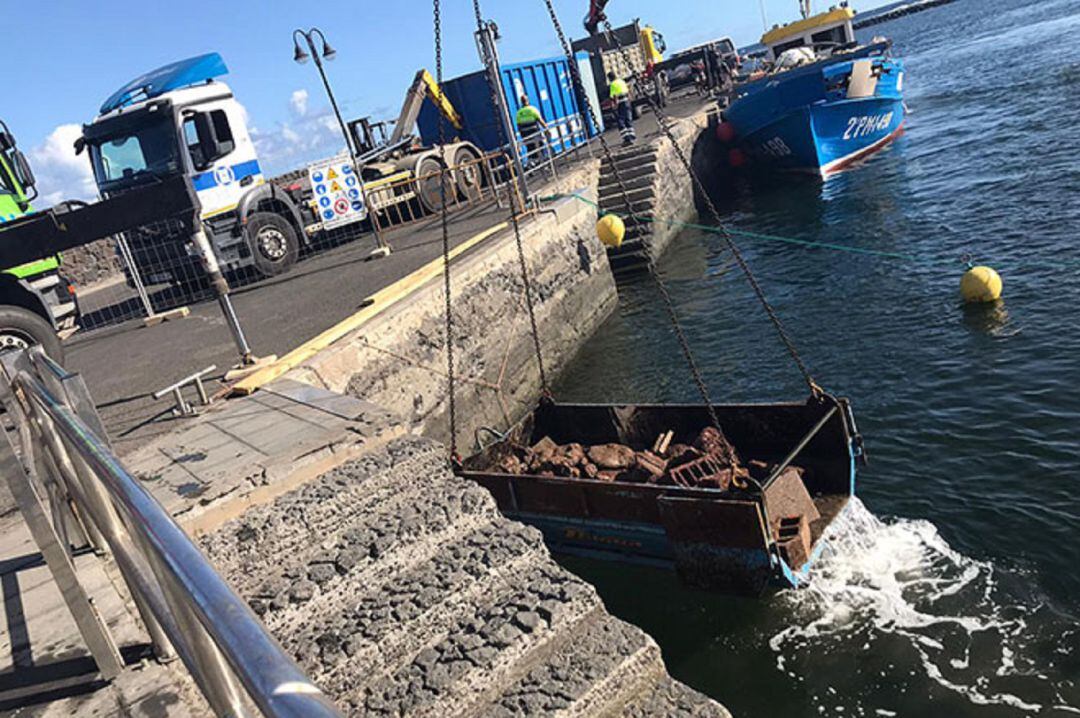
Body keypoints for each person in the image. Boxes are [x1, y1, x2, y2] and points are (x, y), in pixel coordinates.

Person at [515, 95, 547, 167]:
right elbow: (540, 120)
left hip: (525, 135)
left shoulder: (519, 113)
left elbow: (518, 126)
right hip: (535, 133)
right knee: (540, 146)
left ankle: (530, 163)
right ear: (527, 100)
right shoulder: (533, 109)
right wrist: (546, 128)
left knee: (530, 148)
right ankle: (542, 164)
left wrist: (522, 136)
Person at [608, 72, 636, 145]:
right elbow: (628, 91)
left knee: (621, 121)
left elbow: (613, 96)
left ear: (610, 78)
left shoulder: (613, 84)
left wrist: (614, 106)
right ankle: (632, 135)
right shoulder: (621, 81)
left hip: (621, 103)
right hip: (627, 101)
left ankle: (627, 139)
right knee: (628, 119)